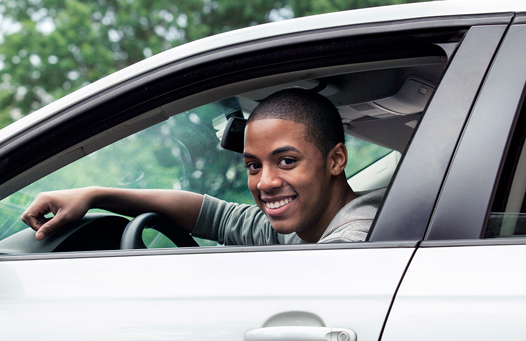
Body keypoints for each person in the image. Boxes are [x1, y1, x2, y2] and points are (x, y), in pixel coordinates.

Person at [21, 89, 384, 245]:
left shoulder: (357, 237)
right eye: (253, 166)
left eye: (286, 161)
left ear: (336, 160)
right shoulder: (305, 223)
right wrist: (94, 194)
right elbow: (214, 216)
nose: (266, 182)